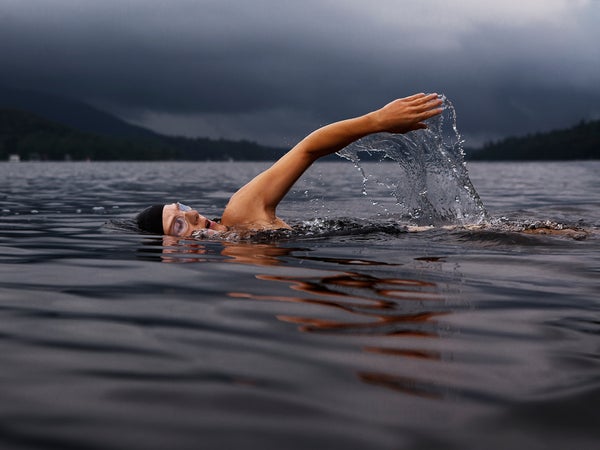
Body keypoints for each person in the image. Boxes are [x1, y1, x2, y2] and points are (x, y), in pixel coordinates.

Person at [136, 93, 443, 237]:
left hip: (425, 236)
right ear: (170, 252)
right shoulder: (236, 263)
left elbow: (307, 149)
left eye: (183, 207)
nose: (192, 214)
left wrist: (376, 121)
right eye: (178, 224)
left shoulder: (240, 214)